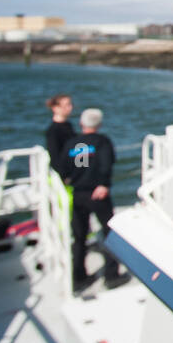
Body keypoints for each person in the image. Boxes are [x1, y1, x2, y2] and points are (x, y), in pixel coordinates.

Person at [66, 108, 129, 293]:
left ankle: (78, 278)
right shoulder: (102, 142)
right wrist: (102, 183)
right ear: (99, 124)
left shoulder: (73, 143)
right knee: (109, 233)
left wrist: (74, 178)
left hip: (78, 194)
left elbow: (66, 167)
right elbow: (105, 163)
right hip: (98, 194)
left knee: (79, 237)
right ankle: (111, 276)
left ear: (81, 123)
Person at [44, 94, 76, 179]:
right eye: (66, 105)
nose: (70, 108)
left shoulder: (68, 125)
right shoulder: (53, 131)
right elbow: (54, 157)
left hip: (73, 170)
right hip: (63, 176)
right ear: (55, 108)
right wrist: (65, 176)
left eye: (70, 104)